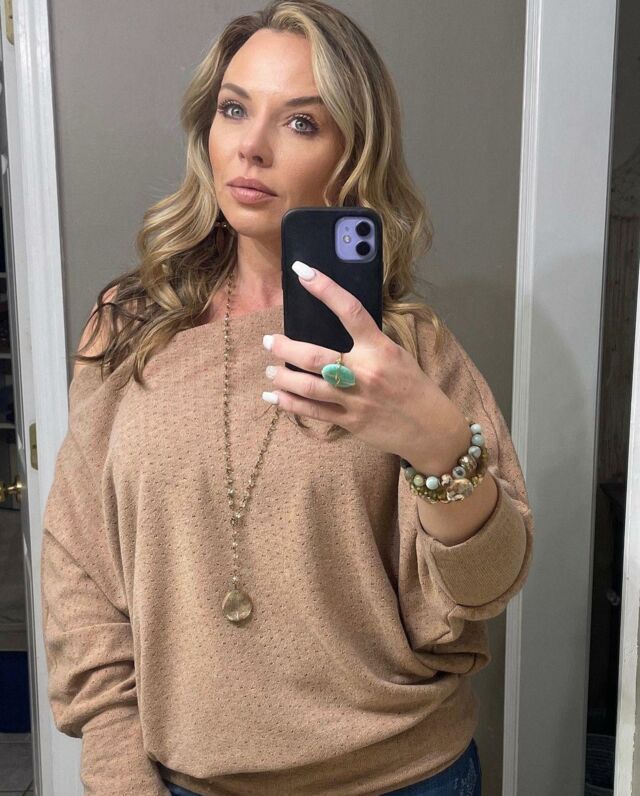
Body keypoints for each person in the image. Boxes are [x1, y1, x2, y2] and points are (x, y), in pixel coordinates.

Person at [40, 1, 534, 794]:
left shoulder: (406, 350)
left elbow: (488, 584)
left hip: (405, 776)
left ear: (352, 155)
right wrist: (114, 760)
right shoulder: (131, 326)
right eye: (234, 109)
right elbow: (79, 563)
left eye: (301, 123)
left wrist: (439, 444)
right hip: (186, 780)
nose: (252, 146)